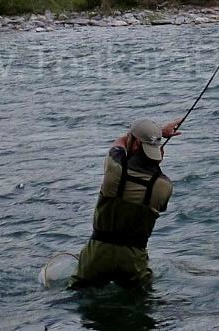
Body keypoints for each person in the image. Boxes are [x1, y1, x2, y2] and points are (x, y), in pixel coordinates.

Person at [68, 117, 181, 290]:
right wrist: (155, 139)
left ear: (135, 144)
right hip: (134, 258)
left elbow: (120, 142)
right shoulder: (164, 186)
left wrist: (157, 132)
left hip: (98, 253)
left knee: (78, 292)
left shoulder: (114, 169)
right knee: (142, 300)